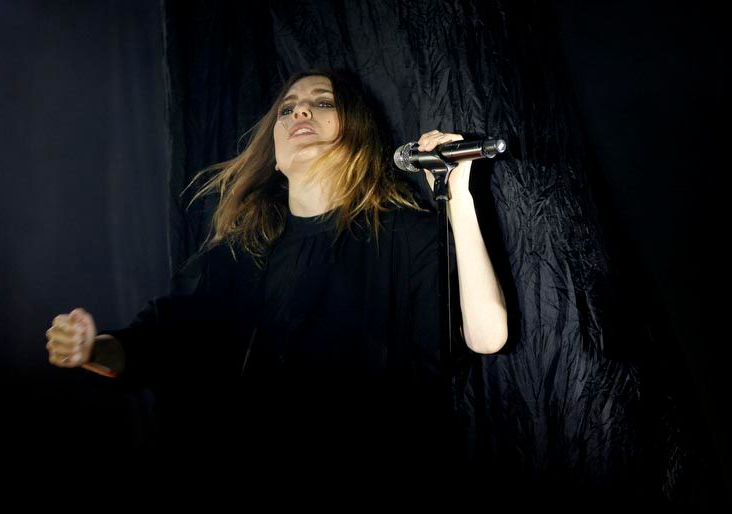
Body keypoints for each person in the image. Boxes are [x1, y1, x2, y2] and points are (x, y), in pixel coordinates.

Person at [45, 69, 508, 487]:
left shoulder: (407, 236)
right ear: (275, 156)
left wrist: (459, 197)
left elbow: (487, 336)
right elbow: (154, 345)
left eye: (323, 102)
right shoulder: (235, 256)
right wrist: (91, 349)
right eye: (287, 109)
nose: (300, 112)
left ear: (357, 132)